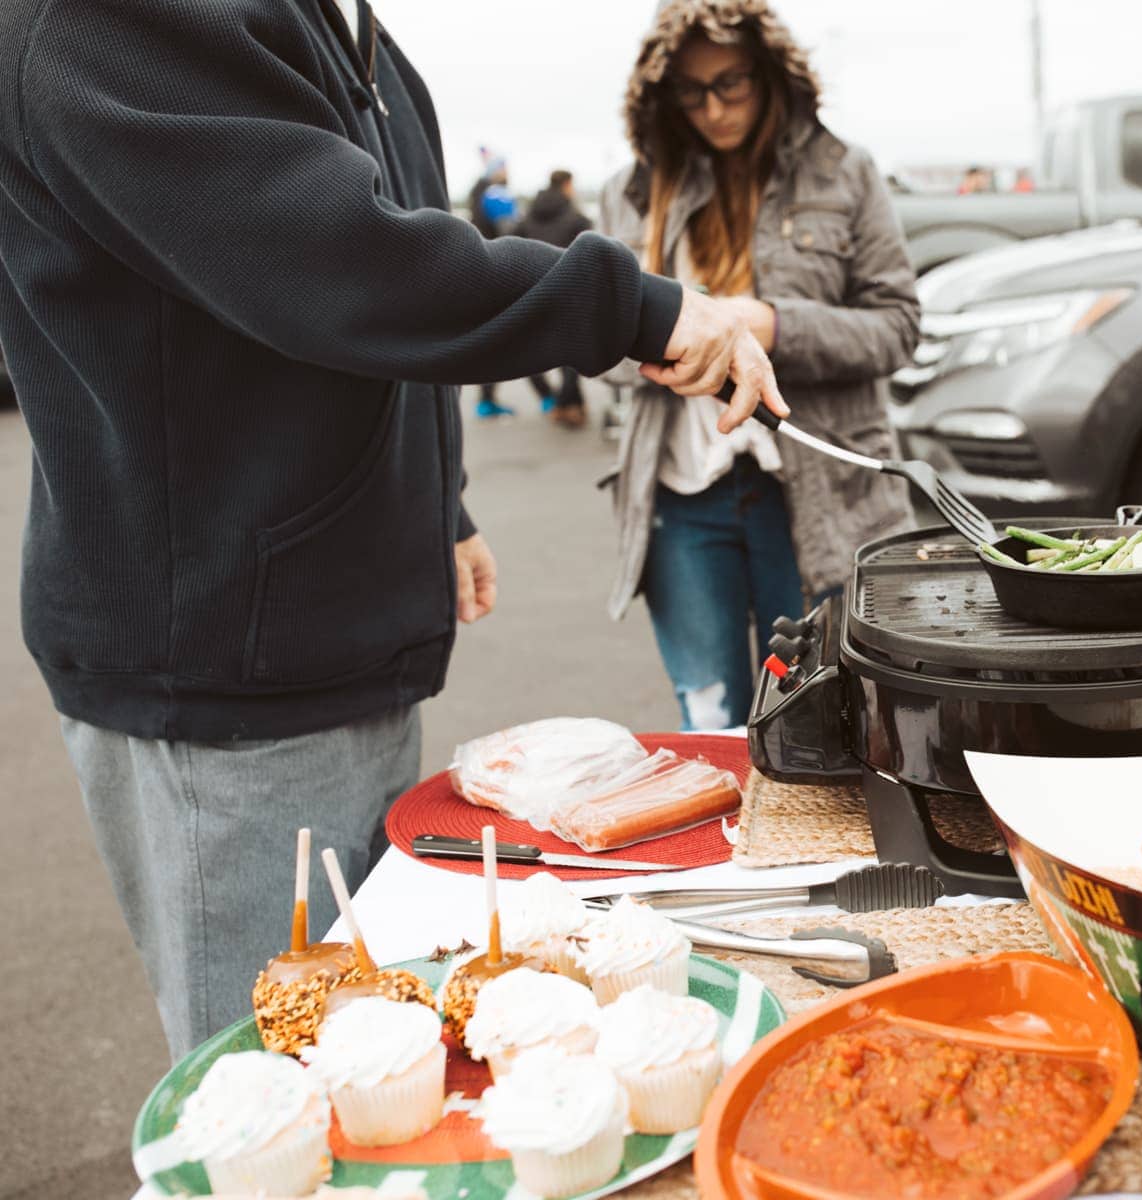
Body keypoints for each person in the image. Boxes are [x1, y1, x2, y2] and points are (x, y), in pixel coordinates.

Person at [0, 0, 782, 1059]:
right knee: (282, 1083)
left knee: (381, 1052)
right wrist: (640, 310)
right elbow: (333, 260)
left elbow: (392, 289)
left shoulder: (355, 36)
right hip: (228, 670)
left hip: (332, 631)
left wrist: (441, 499)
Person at [595, 0, 918, 731]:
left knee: (813, 722)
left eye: (732, 83)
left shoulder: (844, 172)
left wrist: (769, 325)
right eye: (691, 90)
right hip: (679, 497)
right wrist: (657, 338)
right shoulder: (633, 192)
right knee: (709, 722)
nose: (713, 109)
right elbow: (594, 343)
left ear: (772, 72)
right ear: (662, 92)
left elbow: (898, 327)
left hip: (814, 495)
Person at [516, 169, 597, 428]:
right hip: (570, 291)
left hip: (533, 290)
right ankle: (566, 404)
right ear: (567, 184)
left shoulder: (528, 215)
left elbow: (509, 241)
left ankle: (555, 400)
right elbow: (595, 251)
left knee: (529, 352)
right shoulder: (576, 217)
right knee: (570, 354)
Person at [466, 152, 522, 419]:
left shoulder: (477, 193)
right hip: (497, 271)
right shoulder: (496, 193)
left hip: (479, 271)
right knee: (504, 337)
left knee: (492, 338)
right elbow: (509, 231)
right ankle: (549, 396)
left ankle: (487, 400)